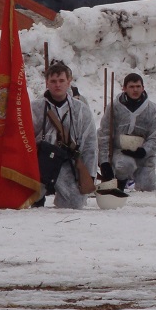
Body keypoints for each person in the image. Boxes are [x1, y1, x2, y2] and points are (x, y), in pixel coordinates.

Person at [32, 62, 98, 208]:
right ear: (47, 83)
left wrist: (90, 174)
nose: (57, 85)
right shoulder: (34, 108)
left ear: (69, 82)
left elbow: (90, 143)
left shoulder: (81, 110)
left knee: (74, 203)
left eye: (61, 81)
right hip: (39, 163)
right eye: (53, 81)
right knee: (26, 202)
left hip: (68, 163)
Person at [98, 73, 156, 192]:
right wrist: (104, 162)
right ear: (124, 88)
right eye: (131, 87)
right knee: (125, 165)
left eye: (138, 86)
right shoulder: (113, 107)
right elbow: (104, 135)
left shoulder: (152, 109)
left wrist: (144, 151)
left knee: (147, 187)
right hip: (121, 152)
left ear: (143, 88)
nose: (135, 90)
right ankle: (120, 184)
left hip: (144, 155)